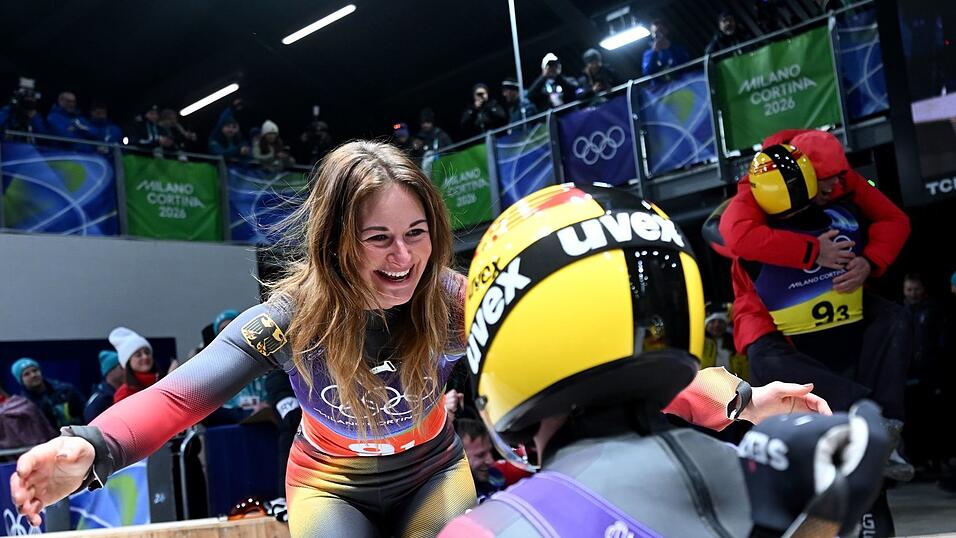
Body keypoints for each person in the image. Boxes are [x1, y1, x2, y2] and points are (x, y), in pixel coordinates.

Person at [10, 142, 831, 536]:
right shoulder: (288, 316)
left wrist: (743, 400)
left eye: (417, 234)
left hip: (434, 472)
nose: (402, 259)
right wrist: (92, 448)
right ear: (336, 242)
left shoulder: (457, 299)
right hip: (328, 487)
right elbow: (178, 396)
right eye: (376, 239)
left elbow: (602, 361)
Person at [438, 183, 888, 537]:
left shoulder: (488, 528)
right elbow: (627, 369)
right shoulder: (769, 479)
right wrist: (743, 399)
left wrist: (744, 399)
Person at [10, 358, 85, 430]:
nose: (33, 375)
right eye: (26, 374)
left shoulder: (66, 391)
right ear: (21, 380)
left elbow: (85, 414)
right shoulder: (24, 405)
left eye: (35, 370)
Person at [455, 418, 504, 502]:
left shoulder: (495, 477)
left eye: (490, 451)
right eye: (480, 455)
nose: (491, 461)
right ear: (457, 459)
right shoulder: (451, 503)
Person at [109, 327, 160, 404]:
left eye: (147, 352)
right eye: (138, 355)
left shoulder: (164, 381)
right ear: (128, 362)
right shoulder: (124, 393)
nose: (145, 357)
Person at [83, 351, 123, 423]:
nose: (126, 370)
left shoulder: (102, 392)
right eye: (121, 367)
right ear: (110, 371)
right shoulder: (104, 400)